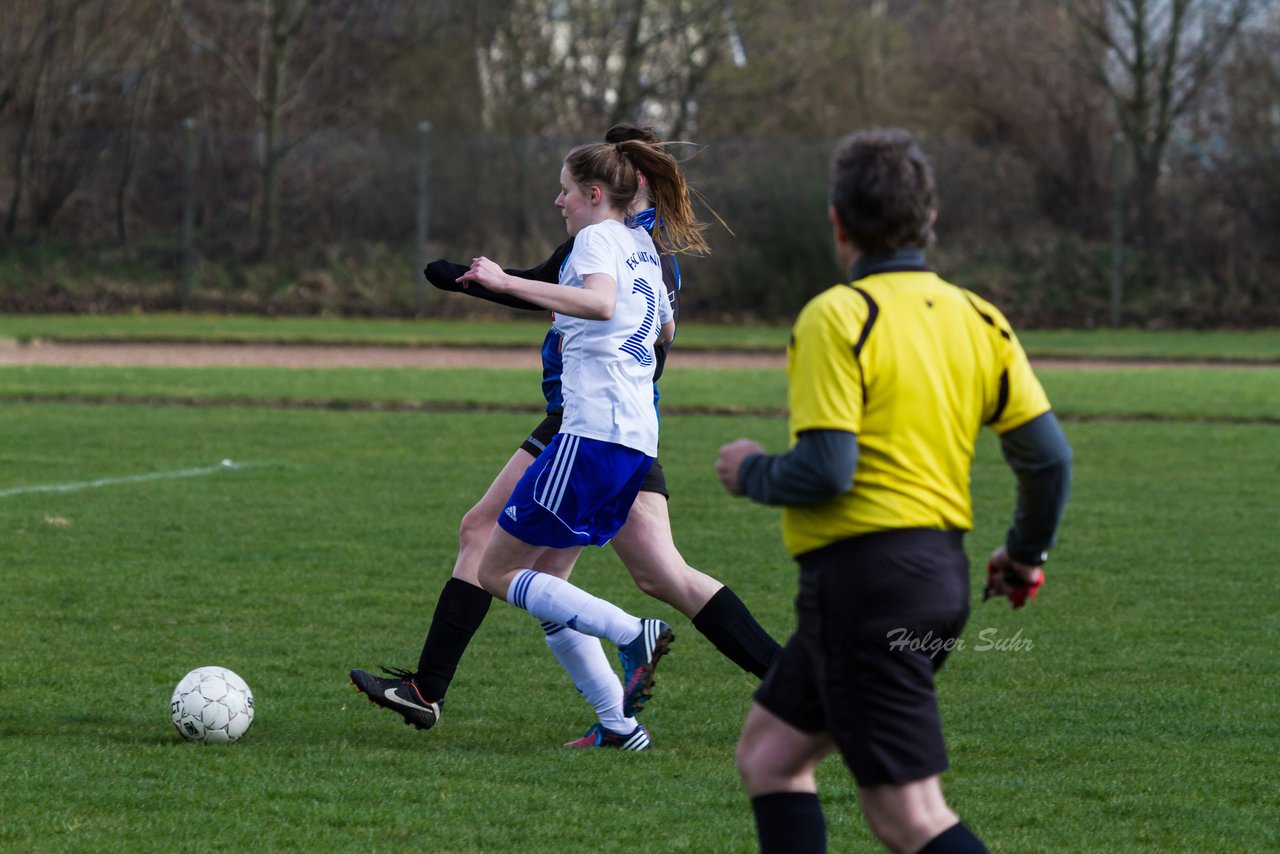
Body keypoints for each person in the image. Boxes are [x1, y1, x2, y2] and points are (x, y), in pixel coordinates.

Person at [352, 130, 780, 750]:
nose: (560, 200)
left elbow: (596, 306)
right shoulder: (636, 247)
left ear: (609, 184)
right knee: (568, 568)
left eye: (568, 189)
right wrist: (479, 282)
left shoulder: (617, 242)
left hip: (591, 426)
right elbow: (577, 297)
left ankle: (684, 659)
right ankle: (614, 722)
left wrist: (505, 290)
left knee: (522, 556)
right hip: (615, 424)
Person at [715, 129, 1072, 853]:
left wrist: (750, 469)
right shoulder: (980, 319)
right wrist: (1025, 555)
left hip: (865, 589)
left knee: (909, 816)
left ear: (837, 221)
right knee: (771, 758)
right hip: (933, 578)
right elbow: (1048, 461)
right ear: (929, 221)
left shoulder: (839, 316)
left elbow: (826, 470)